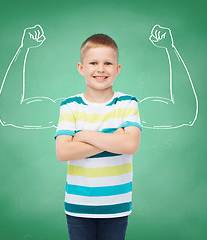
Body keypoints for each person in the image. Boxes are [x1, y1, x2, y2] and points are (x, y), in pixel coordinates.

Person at [55, 34, 142, 240]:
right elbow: (63, 151)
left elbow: (130, 145)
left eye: (108, 63)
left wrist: (84, 136)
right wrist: (114, 138)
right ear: (81, 68)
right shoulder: (69, 106)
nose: (101, 69)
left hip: (116, 204)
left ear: (117, 69)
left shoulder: (128, 103)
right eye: (93, 63)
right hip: (79, 205)